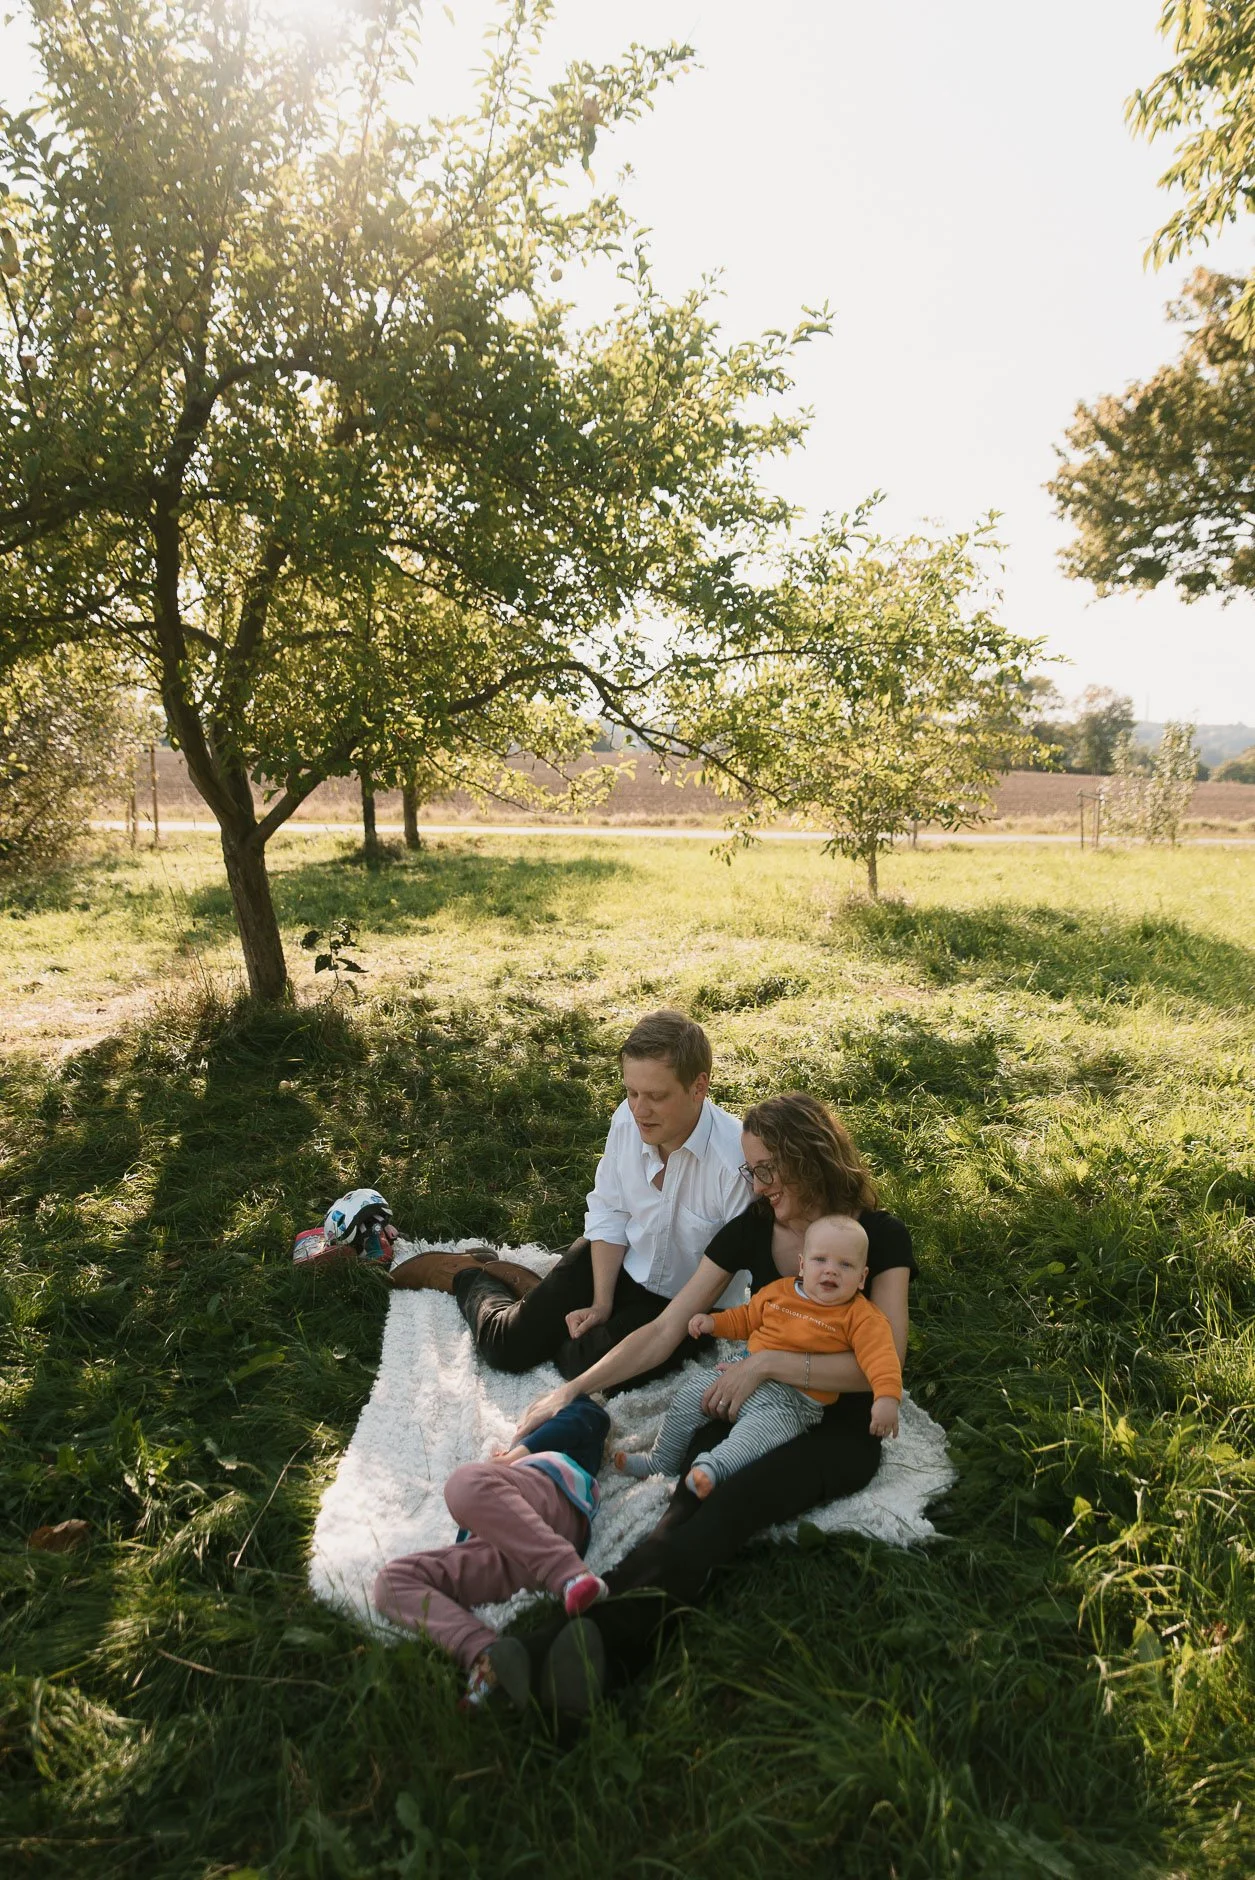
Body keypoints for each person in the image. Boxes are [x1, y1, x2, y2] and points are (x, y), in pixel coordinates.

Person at [508, 1092, 916, 1715]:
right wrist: (573, 1389)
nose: (757, 1184)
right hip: (745, 1404)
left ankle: (582, 1645)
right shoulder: (753, 1226)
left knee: (732, 1507)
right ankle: (594, 1636)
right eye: (750, 1170)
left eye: (767, 1169)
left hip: (834, 1426)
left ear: (810, 1157)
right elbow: (669, 1328)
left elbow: (882, 1363)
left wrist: (770, 1362)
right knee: (688, 1501)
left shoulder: (876, 1238)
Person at [393, 1010, 751, 1383]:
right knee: (506, 1347)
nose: (639, 1111)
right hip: (622, 1259)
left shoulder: (735, 1165)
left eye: (657, 1097)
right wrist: (601, 1301)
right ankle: (466, 1274)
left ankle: (533, 1291)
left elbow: (735, 1270)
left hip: (682, 1301)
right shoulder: (627, 1121)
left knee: (577, 1362)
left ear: (699, 1087)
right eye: (631, 1092)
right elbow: (611, 1211)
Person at [616, 1213, 902, 1498]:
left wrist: (887, 1398)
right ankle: (660, 1460)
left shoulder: (862, 1317)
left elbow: (882, 1358)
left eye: (846, 1264)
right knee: (690, 1395)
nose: (831, 1271)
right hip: (741, 1370)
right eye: (820, 1260)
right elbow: (747, 1319)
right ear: (802, 1265)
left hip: (794, 1401)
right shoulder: (780, 1292)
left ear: (862, 1277)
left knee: (756, 1436)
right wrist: (715, 1324)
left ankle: (712, 1469)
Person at [372, 1396, 610, 1712]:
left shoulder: (563, 1446)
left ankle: (570, 1574)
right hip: (499, 1554)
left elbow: (592, 1414)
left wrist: (518, 1453)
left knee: (463, 1482)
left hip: (549, 1506)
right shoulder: (500, 1479)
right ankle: (485, 1654)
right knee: (391, 1581)